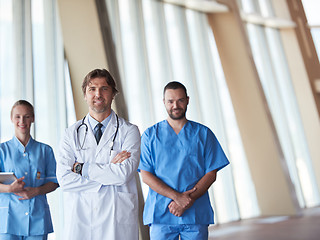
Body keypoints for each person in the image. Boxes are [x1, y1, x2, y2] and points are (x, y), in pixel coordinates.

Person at [56, 68, 141, 240]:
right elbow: (64, 179)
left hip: (116, 220)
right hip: (81, 219)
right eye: (92, 89)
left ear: (113, 94)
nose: (98, 94)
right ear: (85, 95)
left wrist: (82, 168)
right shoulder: (70, 134)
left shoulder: (129, 131)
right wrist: (109, 172)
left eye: (104, 88)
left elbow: (123, 174)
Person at [138, 81, 230, 240]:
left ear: (187, 100)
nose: (175, 105)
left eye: (180, 100)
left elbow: (211, 173)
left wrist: (187, 200)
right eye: (170, 101)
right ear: (163, 102)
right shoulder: (150, 135)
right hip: (161, 212)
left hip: (194, 212)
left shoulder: (203, 134)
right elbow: (146, 175)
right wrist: (177, 197)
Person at [0, 100, 59, 240]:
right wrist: (9, 189)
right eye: (17, 116)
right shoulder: (0, 151)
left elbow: (53, 182)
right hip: (7, 221)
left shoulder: (45, 150)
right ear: (11, 118)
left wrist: (36, 191)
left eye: (27, 116)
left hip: (37, 219)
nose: (22, 121)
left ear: (33, 118)